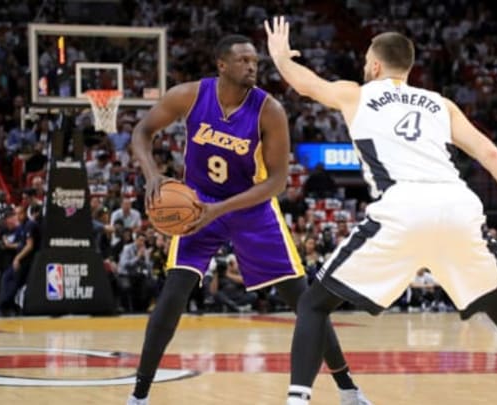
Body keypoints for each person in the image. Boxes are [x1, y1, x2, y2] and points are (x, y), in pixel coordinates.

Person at [265, 17, 497, 405]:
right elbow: (490, 153)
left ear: (376, 66)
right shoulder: (440, 104)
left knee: (313, 304)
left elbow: (304, 83)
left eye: (367, 61)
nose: (365, 67)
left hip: (403, 207)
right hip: (458, 206)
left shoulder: (356, 94)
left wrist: (281, 58)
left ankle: (299, 400)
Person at [127, 34, 369, 405]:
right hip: (198, 203)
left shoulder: (268, 110)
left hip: (252, 208)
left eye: (255, 61)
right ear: (222, 65)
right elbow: (142, 132)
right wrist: (152, 175)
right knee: (173, 296)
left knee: (305, 302)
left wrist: (220, 210)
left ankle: (348, 389)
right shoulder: (189, 95)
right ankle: (139, 396)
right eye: (243, 61)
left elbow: (276, 182)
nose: (252, 66)